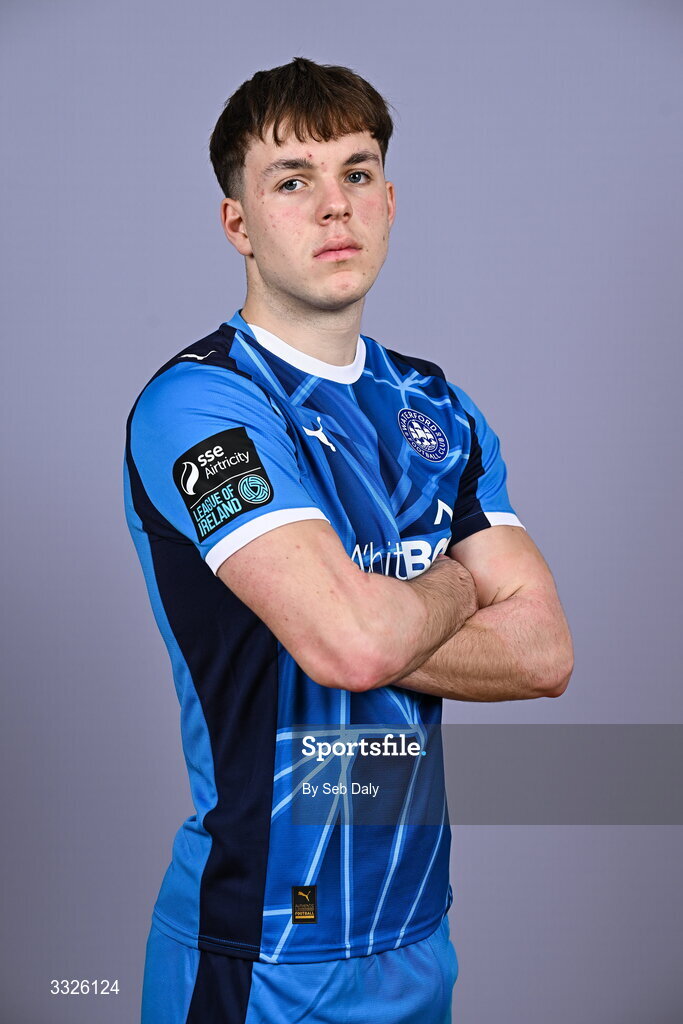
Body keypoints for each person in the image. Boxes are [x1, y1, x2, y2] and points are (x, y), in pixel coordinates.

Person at [124, 56, 573, 1024]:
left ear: (389, 199)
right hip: (266, 945)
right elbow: (352, 644)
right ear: (237, 222)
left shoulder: (433, 406)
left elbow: (542, 652)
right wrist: (456, 580)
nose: (335, 207)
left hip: (416, 931)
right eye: (292, 180)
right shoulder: (203, 405)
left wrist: (374, 605)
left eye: (356, 172)